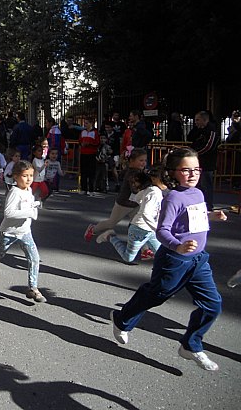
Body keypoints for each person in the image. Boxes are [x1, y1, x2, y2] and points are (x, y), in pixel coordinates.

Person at [109, 147, 226, 371]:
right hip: (174, 259)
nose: (193, 174)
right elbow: (162, 231)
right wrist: (178, 246)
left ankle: (191, 345)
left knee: (213, 305)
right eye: (186, 170)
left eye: (197, 169)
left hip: (199, 260)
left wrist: (212, 216)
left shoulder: (198, 194)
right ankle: (121, 319)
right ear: (173, 172)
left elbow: (194, 217)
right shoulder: (173, 197)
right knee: (155, 295)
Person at [0, 160, 45, 302]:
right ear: (15, 176)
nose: (29, 179)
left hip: (25, 232)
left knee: (34, 258)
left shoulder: (28, 190)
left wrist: (34, 205)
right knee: (0, 253)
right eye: (25, 176)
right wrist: (30, 212)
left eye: (31, 176)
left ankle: (33, 288)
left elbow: (26, 206)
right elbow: (9, 213)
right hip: (8, 232)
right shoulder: (14, 192)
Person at [96, 165, 168, 263]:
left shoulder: (151, 189)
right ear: (154, 179)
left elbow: (137, 197)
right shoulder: (154, 192)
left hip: (149, 230)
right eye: (164, 180)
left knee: (161, 255)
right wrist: (157, 228)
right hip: (139, 229)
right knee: (128, 257)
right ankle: (110, 236)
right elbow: (145, 214)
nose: (167, 183)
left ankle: (160, 274)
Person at [84, 148, 147, 242]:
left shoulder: (138, 172)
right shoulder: (132, 173)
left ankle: (143, 248)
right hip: (124, 204)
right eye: (141, 160)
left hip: (135, 204)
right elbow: (134, 189)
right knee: (111, 223)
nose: (143, 163)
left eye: (145, 160)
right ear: (132, 161)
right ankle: (93, 229)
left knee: (138, 224)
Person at [187, 111, 219, 211]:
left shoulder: (211, 130)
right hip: (197, 162)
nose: (195, 122)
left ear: (205, 120)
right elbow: (190, 138)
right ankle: (198, 203)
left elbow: (209, 146)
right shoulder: (199, 130)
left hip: (207, 163)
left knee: (206, 184)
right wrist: (196, 130)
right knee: (198, 184)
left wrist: (195, 153)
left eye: (197, 120)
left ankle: (208, 205)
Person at [79, 119, 100, 195]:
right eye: (85, 123)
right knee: (83, 171)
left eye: (87, 123)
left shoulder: (95, 132)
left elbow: (97, 143)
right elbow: (80, 141)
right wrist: (82, 144)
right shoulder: (83, 132)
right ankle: (83, 188)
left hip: (91, 153)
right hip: (83, 153)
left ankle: (91, 189)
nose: (85, 124)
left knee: (91, 172)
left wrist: (89, 144)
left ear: (91, 123)